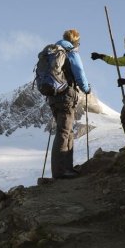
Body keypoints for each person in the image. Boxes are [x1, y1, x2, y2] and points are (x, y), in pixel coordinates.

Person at [47, 29, 91, 178]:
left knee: (66, 131)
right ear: (75, 40)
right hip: (66, 95)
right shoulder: (70, 51)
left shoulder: (52, 51)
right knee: (64, 132)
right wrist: (86, 88)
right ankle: (61, 172)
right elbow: (79, 71)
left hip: (53, 96)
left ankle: (67, 168)